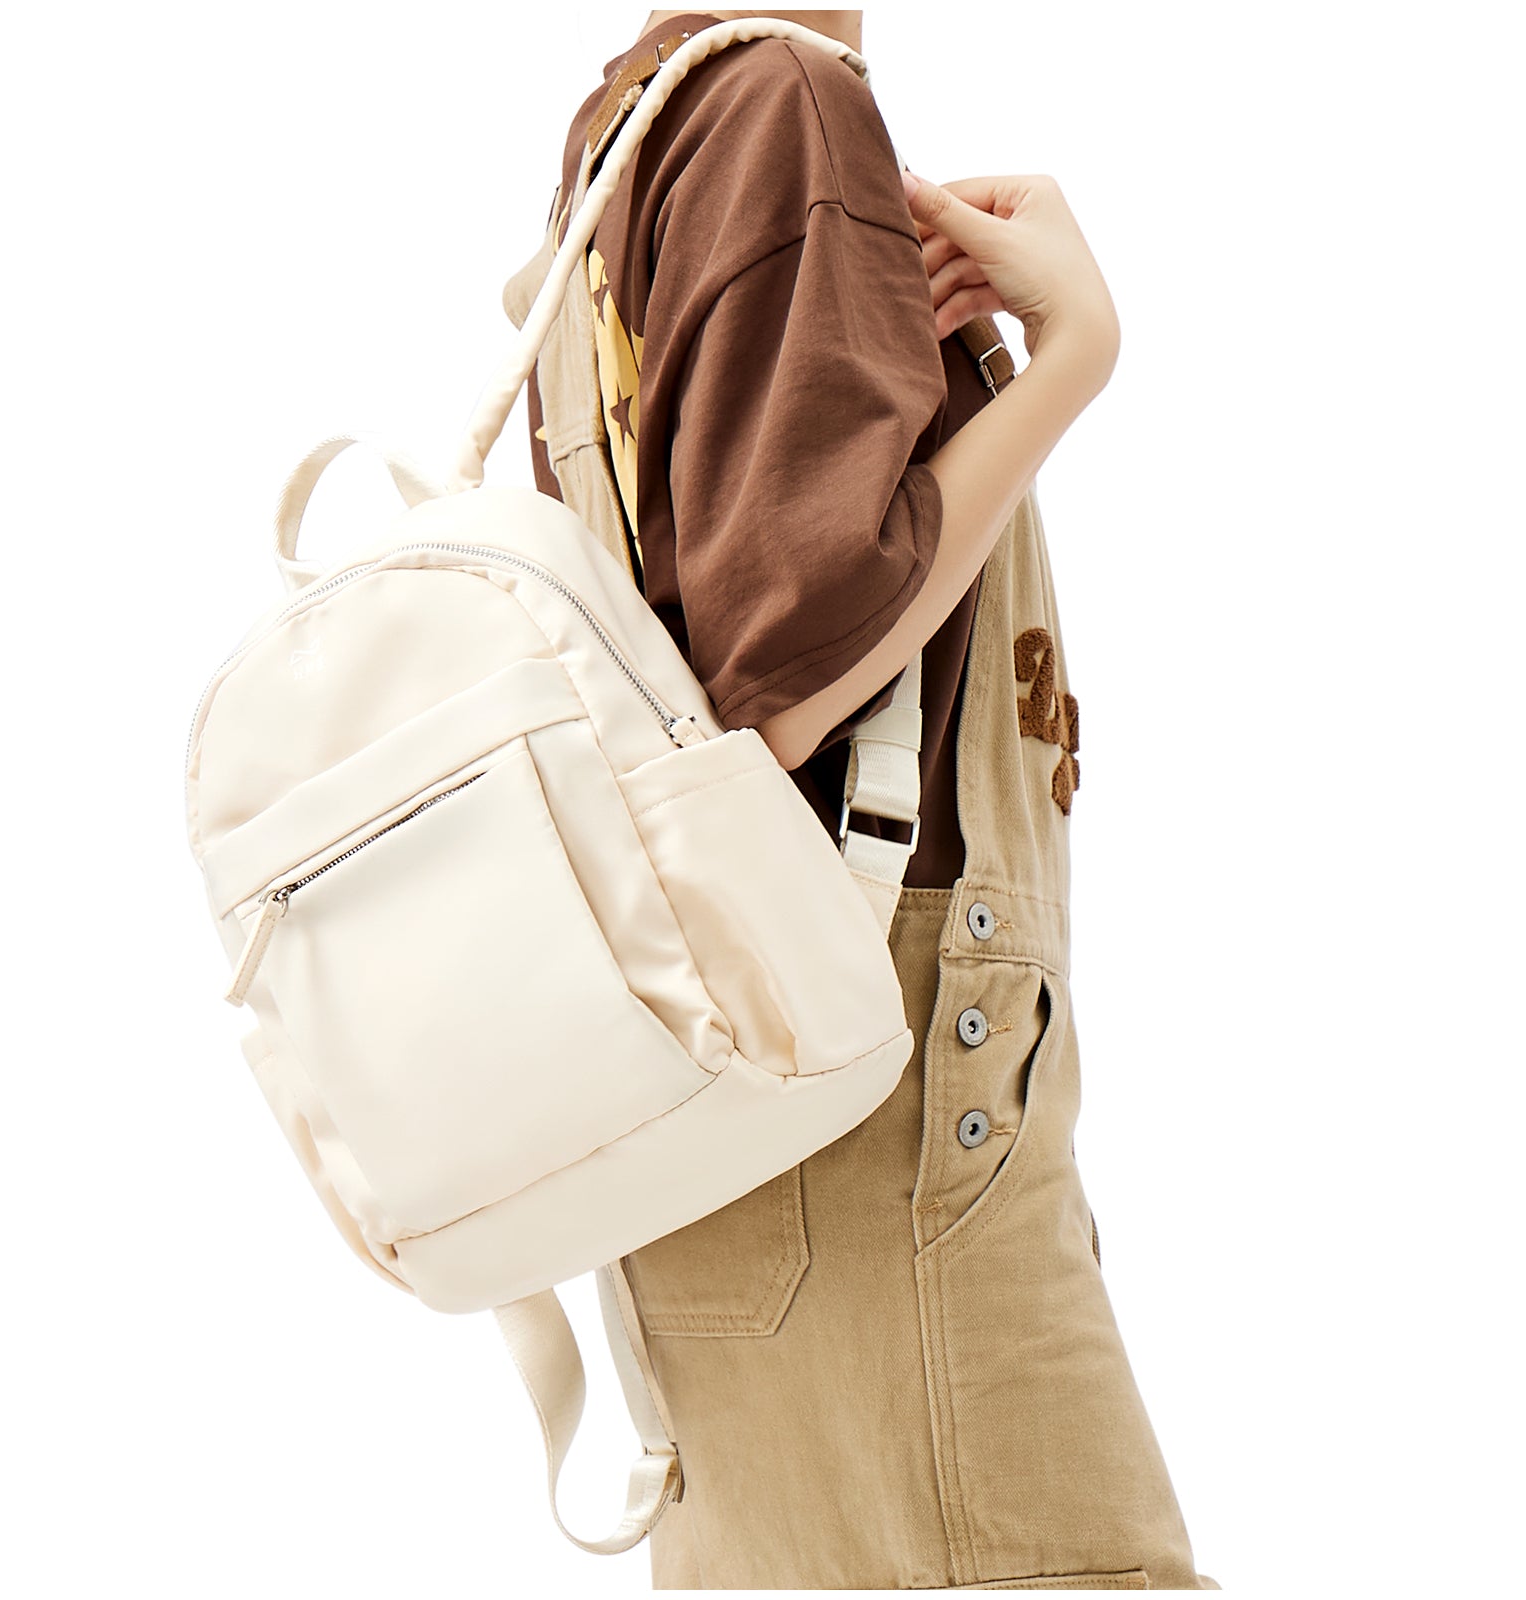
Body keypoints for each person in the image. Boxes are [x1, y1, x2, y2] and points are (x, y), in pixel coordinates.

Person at [513, 9, 1219, 1589]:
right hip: (883, 1115)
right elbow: (783, 683)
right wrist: (1075, 359)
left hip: (738, 1140)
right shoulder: (780, 100)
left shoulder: (630, 126)